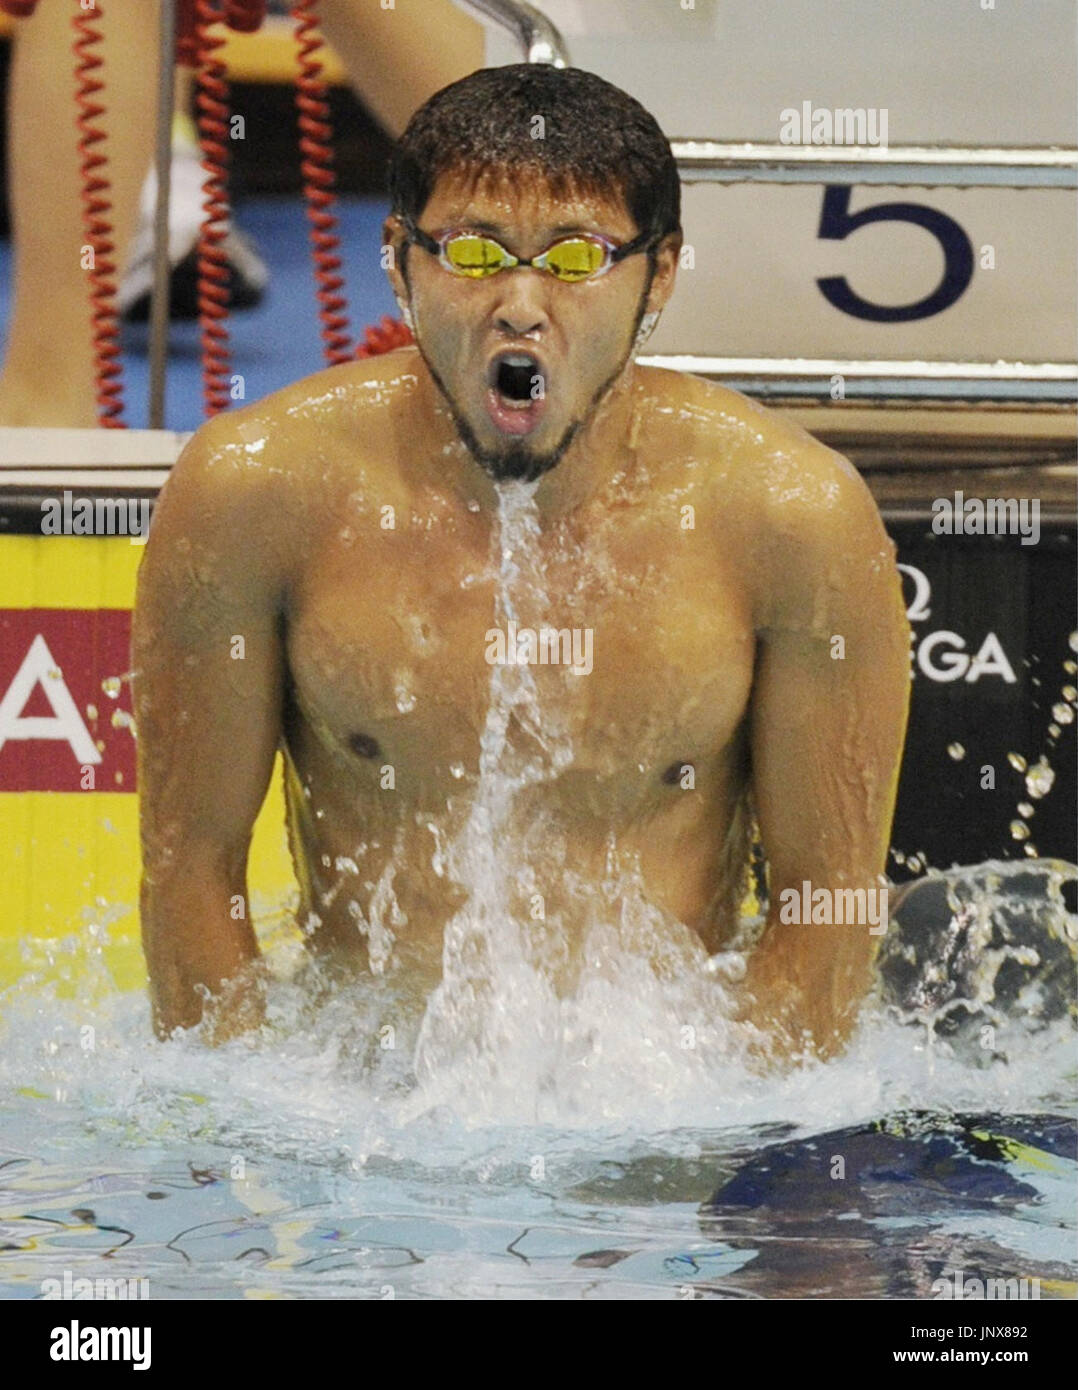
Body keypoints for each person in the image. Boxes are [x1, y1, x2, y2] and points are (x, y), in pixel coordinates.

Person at [133, 63, 911, 1061]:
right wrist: (240, 1163)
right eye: (470, 249)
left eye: (577, 256)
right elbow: (189, 869)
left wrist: (718, 1150)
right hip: (363, 1114)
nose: (520, 304)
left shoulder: (790, 517)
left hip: (667, 1110)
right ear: (397, 260)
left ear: (660, 273)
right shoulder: (255, 493)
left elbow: (828, 904)